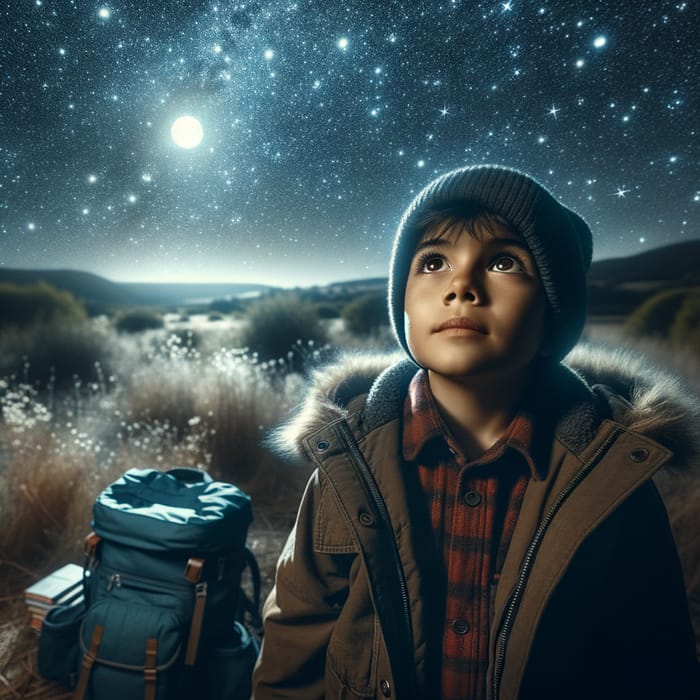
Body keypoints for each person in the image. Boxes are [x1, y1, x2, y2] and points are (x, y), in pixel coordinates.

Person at [252, 164, 699, 699]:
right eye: (433, 261)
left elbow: (655, 661)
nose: (462, 285)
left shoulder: (612, 482)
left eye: (505, 262)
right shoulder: (348, 463)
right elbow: (295, 637)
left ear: (551, 312)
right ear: (404, 303)